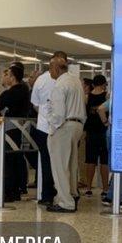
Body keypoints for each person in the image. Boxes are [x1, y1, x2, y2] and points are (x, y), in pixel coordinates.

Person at [45, 56, 86, 213]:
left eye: (50, 68)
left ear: (56, 69)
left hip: (64, 126)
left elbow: (58, 114)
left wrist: (52, 127)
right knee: (71, 164)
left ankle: (65, 202)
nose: (49, 72)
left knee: (59, 166)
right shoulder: (76, 82)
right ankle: (73, 194)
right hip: (77, 125)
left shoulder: (59, 85)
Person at [0, 62, 30, 202]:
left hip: (9, 129)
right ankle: (18, 190)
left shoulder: (8, 93)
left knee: (7, 162)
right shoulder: (25, 90)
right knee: (17, 159)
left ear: (11, 77)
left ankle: (7, 193)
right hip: (23, 129)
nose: (3, 78)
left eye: (5, 75)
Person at [30, 51, 68, 206]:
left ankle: (47, 195)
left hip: (43, 126)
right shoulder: (69, 80)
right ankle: (62, 194)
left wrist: (46, 115)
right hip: (60, 127)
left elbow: (35, 104)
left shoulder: (41, 80)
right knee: (61, 162)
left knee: (46, 162)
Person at [84, 74, 109, 197]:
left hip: (91, 132)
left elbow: (85, 114)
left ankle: (88, 188)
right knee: (104, 161)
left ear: (93, 84)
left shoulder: (87, 97)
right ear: (104, 84)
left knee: (90, 160)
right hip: (103, 131)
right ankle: (105, 189)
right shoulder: (107, 96)